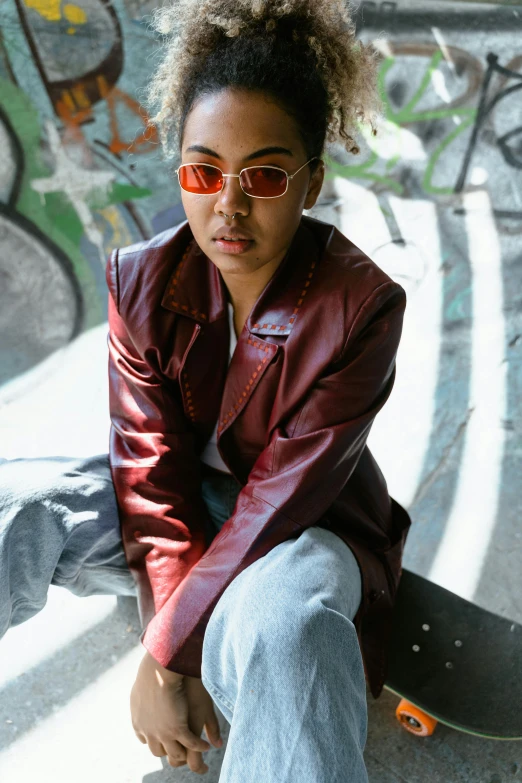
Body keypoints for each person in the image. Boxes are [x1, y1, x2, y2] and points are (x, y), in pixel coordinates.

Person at [0, 1, 412, 780]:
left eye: (262, 174)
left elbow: (275, 505)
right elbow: (151, 478)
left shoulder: (362, 307)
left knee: (286, 627)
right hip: (191, 510)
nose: (228, 203)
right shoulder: (143, 279)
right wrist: (174, 651)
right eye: (202, 170)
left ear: (310, 181)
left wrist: (165, 653)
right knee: (14, 501)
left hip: (302, 534)